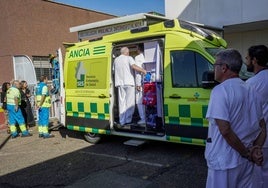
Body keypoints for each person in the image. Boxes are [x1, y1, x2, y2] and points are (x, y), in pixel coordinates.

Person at [205, 49, 266, 188]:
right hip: (245, 164)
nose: (213, 69)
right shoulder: (251, 90)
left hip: (224, 163)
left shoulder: (220, 91)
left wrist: (246, 153)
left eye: (215, 65)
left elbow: (225, 130)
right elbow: (263, 127)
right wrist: (255, 149)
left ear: (224, 68)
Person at [245, 44, 268, 188]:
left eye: (247, 58)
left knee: (260, 174)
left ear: (254, 60)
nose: (246, 61)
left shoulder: (251, 84)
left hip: (262, 139)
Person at [114, 47, 146, 126]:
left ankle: (122, 121)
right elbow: (134, 66)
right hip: (129, 83)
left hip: (120, 84)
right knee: (130, 103)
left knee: (122, 103)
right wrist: (143, 70)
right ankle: (128, 120)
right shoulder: (129, 58)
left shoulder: (116, 60)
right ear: (127, 52)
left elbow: (114, 71)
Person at [135, 44, 146, 125]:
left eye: (136, 48)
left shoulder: (137, 57)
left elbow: (138, 71)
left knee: (139, 101)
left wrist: (138, 84)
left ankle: (143, 119)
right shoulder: (147, 55)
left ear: (139, 48)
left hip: (141, 82)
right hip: (148, 81)